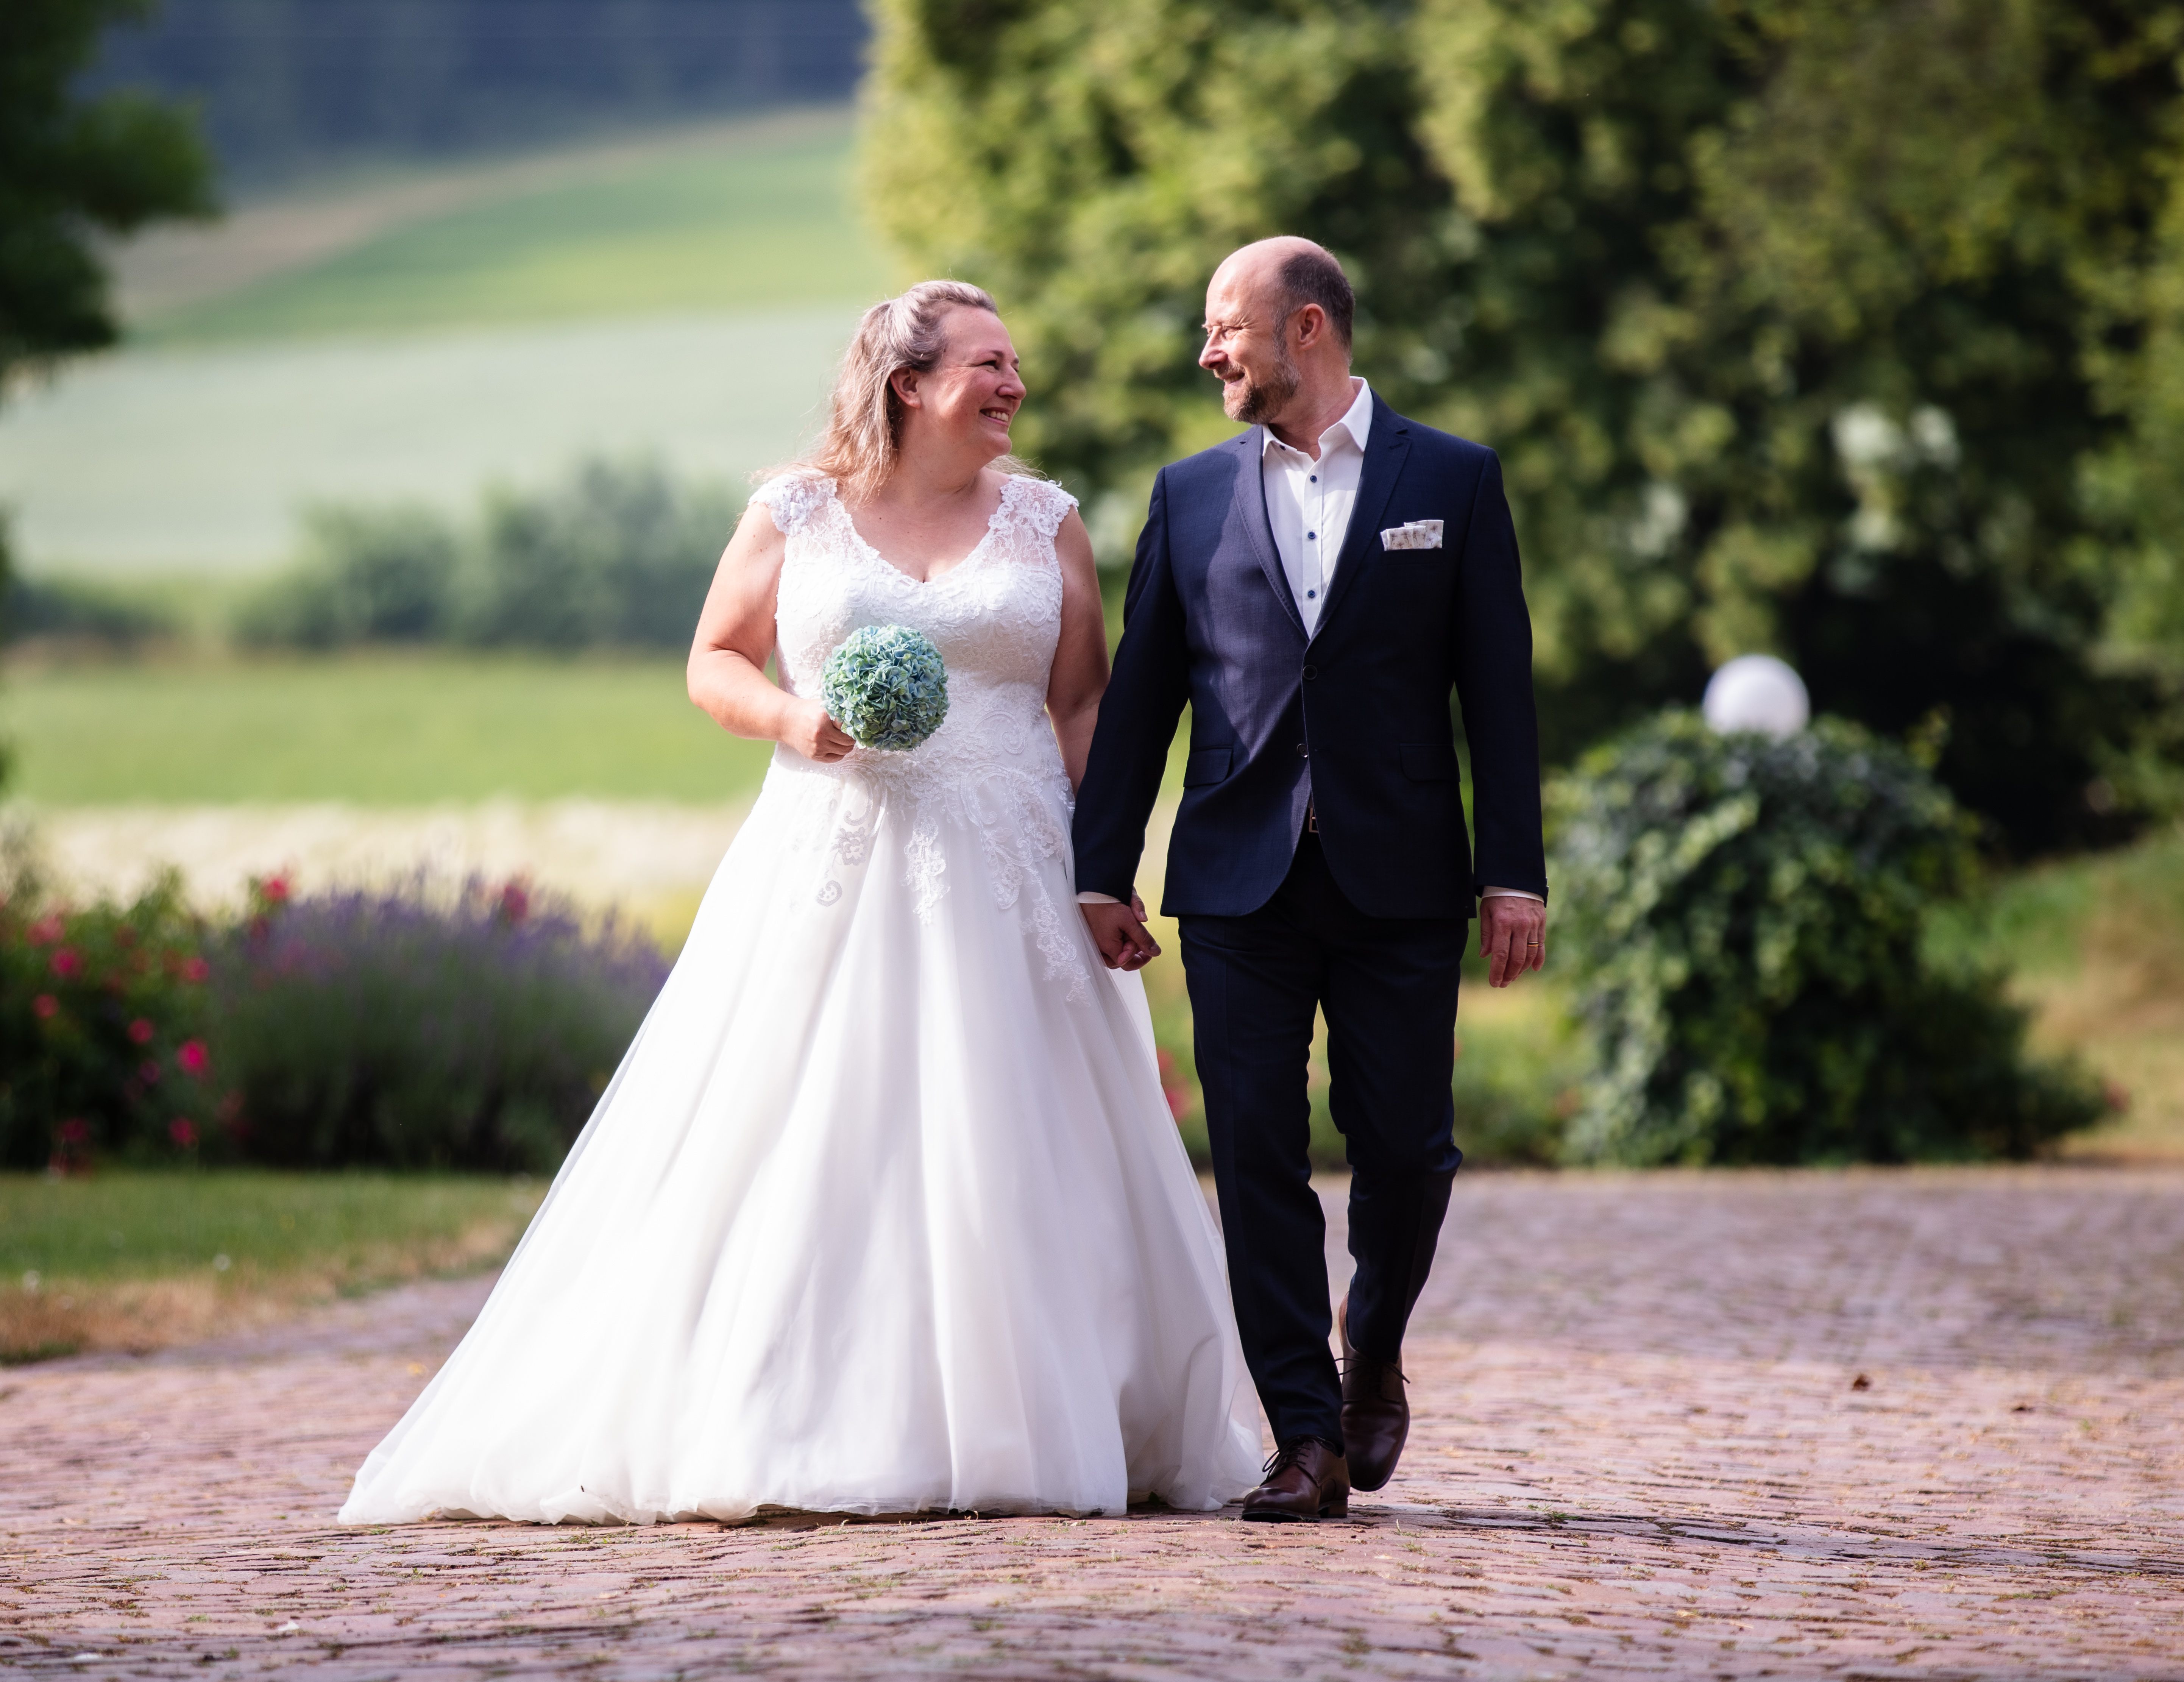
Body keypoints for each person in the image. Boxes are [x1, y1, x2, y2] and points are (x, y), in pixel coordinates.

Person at [339, 281, 1264, 1525]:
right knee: (812, 1128)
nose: (1016, 387)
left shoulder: (1047, 520)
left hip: (1011, 861)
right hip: (833, 851)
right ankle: (790, 1409)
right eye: (990, 365)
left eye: (1015, 366)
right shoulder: (797, 510)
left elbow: (1082, 703)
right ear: (909, 383)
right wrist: (796, 719)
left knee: (1022, 1131)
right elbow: (714, 656)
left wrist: (1104, 871)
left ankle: (1045, 1409)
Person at [1073, 238, 1548, 1522]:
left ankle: (1372, 1343)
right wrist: (1099, 868)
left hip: (1402, 878)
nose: (1209, 351)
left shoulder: (1451, 479)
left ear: (1314, 330)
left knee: (1409, 1148)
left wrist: (1515, 870)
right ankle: (1303, 1433)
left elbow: (1497, 693)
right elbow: (1141, 709)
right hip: (1237, 883)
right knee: (1258, 1153)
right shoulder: (1186, 497)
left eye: (1228, 327)